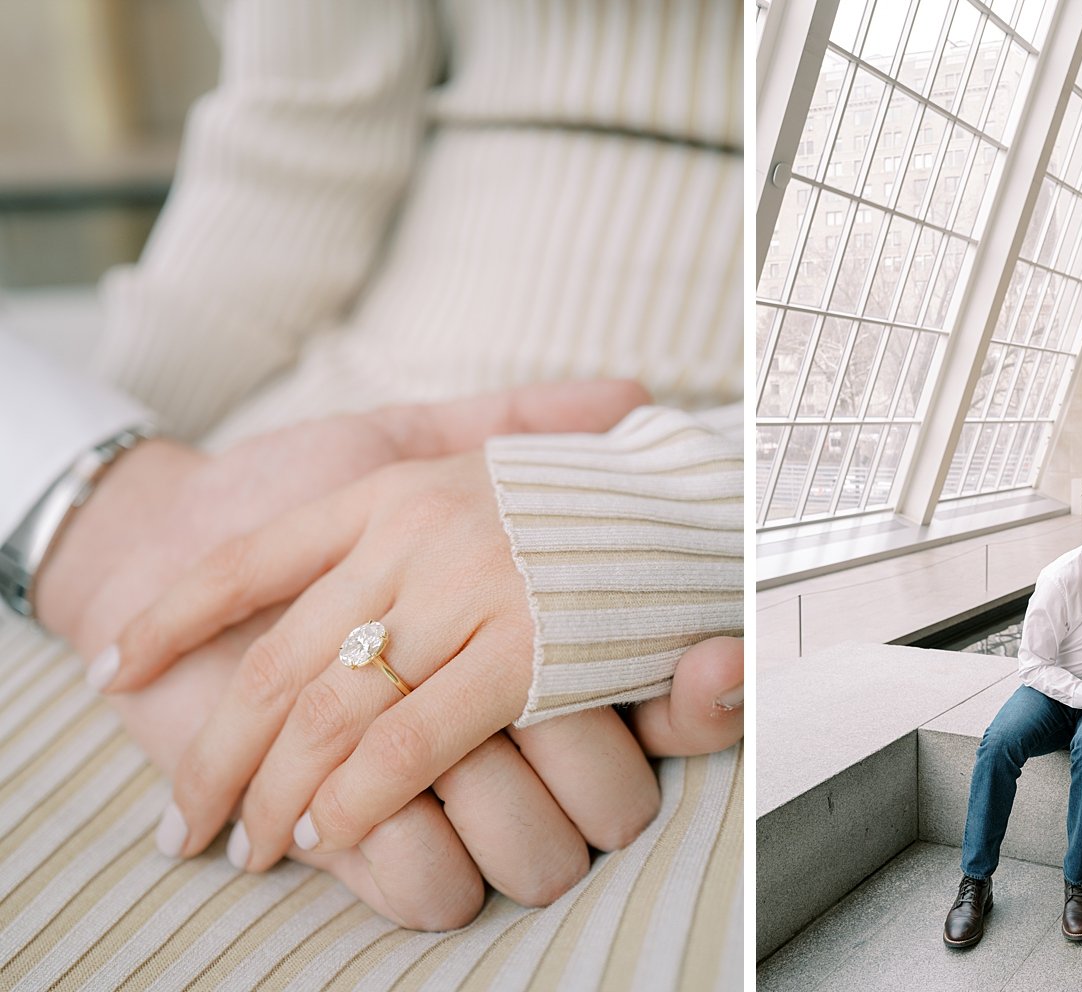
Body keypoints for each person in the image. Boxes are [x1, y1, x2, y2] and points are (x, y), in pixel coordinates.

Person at [0, 0, 744, 986]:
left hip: (701, 575)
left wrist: (678, 500)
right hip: (286, 464)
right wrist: (98, 494)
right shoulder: (132, 508)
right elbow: (298, 129)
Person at [944, 471, 1082, 947]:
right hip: (1055, 695)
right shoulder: (1061, 576)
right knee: (998, 742)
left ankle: (1078, 882)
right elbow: (1033, 665)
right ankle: (975, 883)